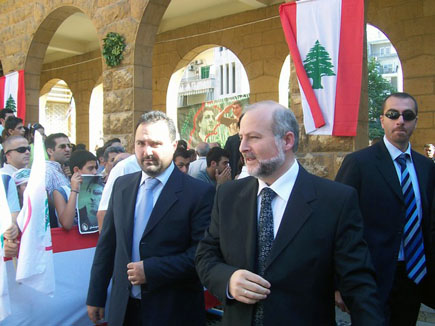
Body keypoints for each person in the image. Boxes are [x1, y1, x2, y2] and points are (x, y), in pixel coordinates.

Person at [195, 100, 383, 326]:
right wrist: (229, 280)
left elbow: (359, 285)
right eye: (241, 137)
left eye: (253, 137)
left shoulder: (335, 201)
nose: (242, 147)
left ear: (287, 140)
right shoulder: (228, 196)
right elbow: (206, 255)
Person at [86, 111, 215, 326]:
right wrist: (96, 295)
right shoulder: (122, 186)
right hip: (124, 309)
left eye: (155, 144)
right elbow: (108, 245)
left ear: (173, 146)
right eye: (141, 143)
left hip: (173, 311)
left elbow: (202, 255)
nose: (147, 151)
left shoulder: (199, 193)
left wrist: (153, 270)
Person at [335, 92, 435, 325]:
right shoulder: (359, 163)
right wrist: (337, 283)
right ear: (382, 120)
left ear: (415, 121)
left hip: (413, 275)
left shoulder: (426, 167)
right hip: (369, 277)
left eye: (407, 115)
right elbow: (338, 224)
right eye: (393, 114)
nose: (400, 120)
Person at [52, 150, 98, 230]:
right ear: (76, 170)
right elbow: (66, 224)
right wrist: (74, 191)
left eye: (96, 168)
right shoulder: (61, 192)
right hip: (71, 240)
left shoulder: (97, 189)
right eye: (90, 168)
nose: (95, 172)